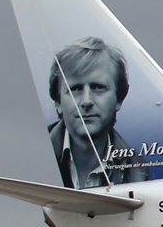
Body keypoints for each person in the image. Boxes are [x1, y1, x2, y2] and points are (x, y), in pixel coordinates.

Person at [47, 37, 150, 188]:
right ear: (57, 102)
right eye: (75, 89)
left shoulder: (136, 169)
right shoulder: (38, 156)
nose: (86, 101)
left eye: (98, 87)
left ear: (119, 98)